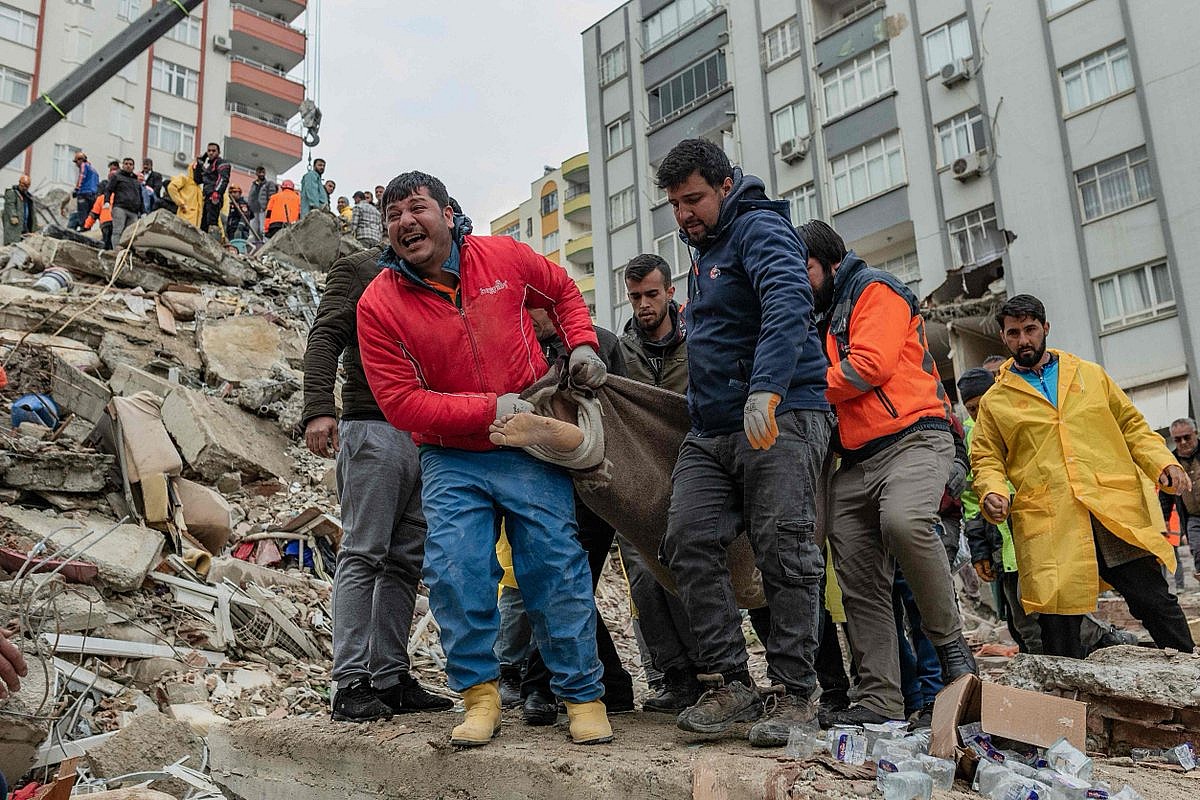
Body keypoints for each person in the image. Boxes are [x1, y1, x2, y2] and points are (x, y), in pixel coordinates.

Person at [356, 170, 613, 747]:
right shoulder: (378, 303)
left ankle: (582, 695)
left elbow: (564, 292)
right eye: (393, 215)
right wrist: (487, 407)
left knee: (554, 566)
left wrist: (582, 344)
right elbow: (401, 404)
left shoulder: (504, 257)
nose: (404, 222)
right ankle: (479, 695)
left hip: (527, 444)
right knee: (456, 571)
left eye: (416, 208)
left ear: (449, 214)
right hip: (453, 457)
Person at [653, 139, 831, 747]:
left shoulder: (759, 230)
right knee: (687, 538)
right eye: (675, 204)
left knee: (783, 546)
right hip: (712, 429)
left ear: (726, 185)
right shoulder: (701, 252)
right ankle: (732, 682)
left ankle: (795, 692)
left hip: (779, 413)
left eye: (694, 199)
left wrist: (767, 389)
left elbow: (789, 302)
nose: (684, 214)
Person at [797, 219, 975, 727]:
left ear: (831, 264)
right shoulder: (813, 312)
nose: (797, 279)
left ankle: (952, 650)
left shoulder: (874, 289)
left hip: (915, 437)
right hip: (853, 459)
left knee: (904, 521)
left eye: (804, 268)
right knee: (856, 575)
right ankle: (879, 698)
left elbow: (867, 367)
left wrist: (792, 386)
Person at [972, 294, 1195, 658]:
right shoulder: (997, 401)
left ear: (1046, 328)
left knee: (1152, 597)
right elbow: (986, 457)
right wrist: (992, 491)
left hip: (1109, 507)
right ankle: (1072, 706)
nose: (1023, 340)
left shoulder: (1088, 374)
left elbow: (1131, 425)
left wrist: (1161, 462)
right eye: (1014, 333)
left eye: (1030, 330)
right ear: (1003, 337)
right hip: (1052, 517)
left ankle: (1188, 674)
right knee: (1058, 620)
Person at [302, 241, 453, 722]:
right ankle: (350, 682)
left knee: (405, 560)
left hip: (426, 433)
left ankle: (389, 676)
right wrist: (318, 410)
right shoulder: (358, 269)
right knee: (364, 552)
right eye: (398, 213)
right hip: (372, 425)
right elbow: (325, 337)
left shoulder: (441, 277)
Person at [516, 308, 636, 724]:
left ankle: (540, 685)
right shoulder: (521, 346)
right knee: (565, 583)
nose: (528, 320)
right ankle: (613, 684)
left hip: (594, 486)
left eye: (533, 312)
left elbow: (625, 408)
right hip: (546, 484)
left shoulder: (600, 344)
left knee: (564, 582)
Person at [615, 253, 702, 714]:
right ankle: (676, 677)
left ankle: (713, 672)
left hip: (694, 471)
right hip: (638, 481)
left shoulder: (699, 339)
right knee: (646, 579)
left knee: (689, 570)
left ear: (671, 292)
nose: (644, 305)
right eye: (635, 297)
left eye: (651, 294)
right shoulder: (619, 352)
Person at [1161, 418, 1200, 584]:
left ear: (1195, 434)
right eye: (1177, 439)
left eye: (1187, 437)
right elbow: (1165, 494)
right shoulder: (1171, 463)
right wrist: (1164, 520)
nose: (1183, 442)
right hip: (1192, 517)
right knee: (1197, 549)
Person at [104, 157, 143, 245]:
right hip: (120, 208)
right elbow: (108, 189)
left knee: (130, 234)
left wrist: (143, 211)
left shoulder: (136, 181)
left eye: (130, 164)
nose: (128, 166)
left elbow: (140, 197)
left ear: (133, 167)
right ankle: (116, 251)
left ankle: (124, 252)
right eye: (126, 164)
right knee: (118, 230)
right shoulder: (117, 176)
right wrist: (106, 201)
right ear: (122, 165)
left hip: (134, 211)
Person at [194, 142, 230, 234]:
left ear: (218, 152)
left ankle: (213, 242)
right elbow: (197, 180)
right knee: (204, 225)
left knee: (212, 222)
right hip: (207, 197)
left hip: (214, 196)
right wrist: (199, 163)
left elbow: (223, 178)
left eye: (213, 151)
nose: (210, 153)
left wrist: (217, 192)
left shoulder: (222, 163)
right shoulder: (209, 167)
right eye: (209, 151)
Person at [3, 175, 39, 245]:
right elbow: (10, 205)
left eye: (27, 186)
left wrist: (35, 224)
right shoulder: (12, 193)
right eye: (23, 185)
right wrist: (13, 216)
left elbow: (32, 212)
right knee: (12, 245)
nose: (25, 188)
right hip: (15, 227)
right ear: (19, 183)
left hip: (25, 227)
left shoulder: (28, 196)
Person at [168, 162, 203, 229]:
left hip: (195, 225)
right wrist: (181, 203)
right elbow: (171, 187)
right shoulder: (184, 179)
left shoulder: (199, 189)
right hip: (184, 220)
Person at [70, 151, 99, 229]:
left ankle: (83, 229)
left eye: (76, 162)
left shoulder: (83, 165)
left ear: (80, 160)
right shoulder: (94, 170)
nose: (76, 164)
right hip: (93, 195)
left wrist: (76, 189)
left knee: (82, 214)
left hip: (84, 193)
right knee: (89, 214)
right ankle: (87, 228)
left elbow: (82, 176)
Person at [247, 166, 277, 235]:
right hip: (254, 210)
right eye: (259, 172)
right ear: (256, 173)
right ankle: (252, 243)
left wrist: (268, 208)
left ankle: (264, 242)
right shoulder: (254, 184)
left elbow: (271, 197)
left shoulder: (269, 184)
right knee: (253, 230)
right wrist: (249, 206)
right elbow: (250, 196)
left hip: (263, 209)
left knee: (262, 229)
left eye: (263, 172)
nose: (261, 174)